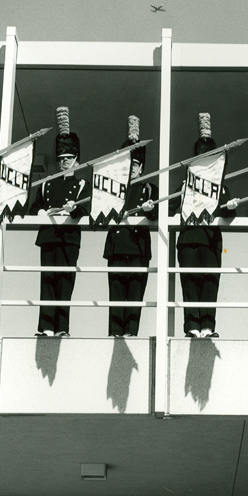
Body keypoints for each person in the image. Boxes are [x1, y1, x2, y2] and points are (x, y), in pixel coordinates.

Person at [169, 113, 238, 338]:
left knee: (209, 283)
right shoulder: (184, 186)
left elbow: (229, 212)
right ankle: (192, 327)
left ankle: (208, 326)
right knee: (189, 283)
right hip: (189, 239)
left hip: (210, 240)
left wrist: (231, 205)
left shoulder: (220, 186)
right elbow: (169, 209)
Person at [31, 106, 90, 337]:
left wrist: (74, 209)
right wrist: (42, 211)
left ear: (77, 160)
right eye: (62, 159)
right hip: (49, 237)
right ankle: (45, 326)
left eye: (69, 159)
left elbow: (87, 207)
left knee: (65, 281)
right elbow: (34, 207)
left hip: (69, 239)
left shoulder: (82, 184)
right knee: (47, 280)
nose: (65, 163)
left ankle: (62, 327)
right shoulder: (47, 184)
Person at [103, 116, 157, 337]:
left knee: (135, 294)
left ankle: (131, 333)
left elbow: (157, 214)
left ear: (141, 167)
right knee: (116, 294)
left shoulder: (149, 188)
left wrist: (148, 209)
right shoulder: (113, 188)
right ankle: (116, 331)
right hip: (117, 247)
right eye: (128, 164)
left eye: (134, 165)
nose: (131, 169)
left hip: (138, 247)